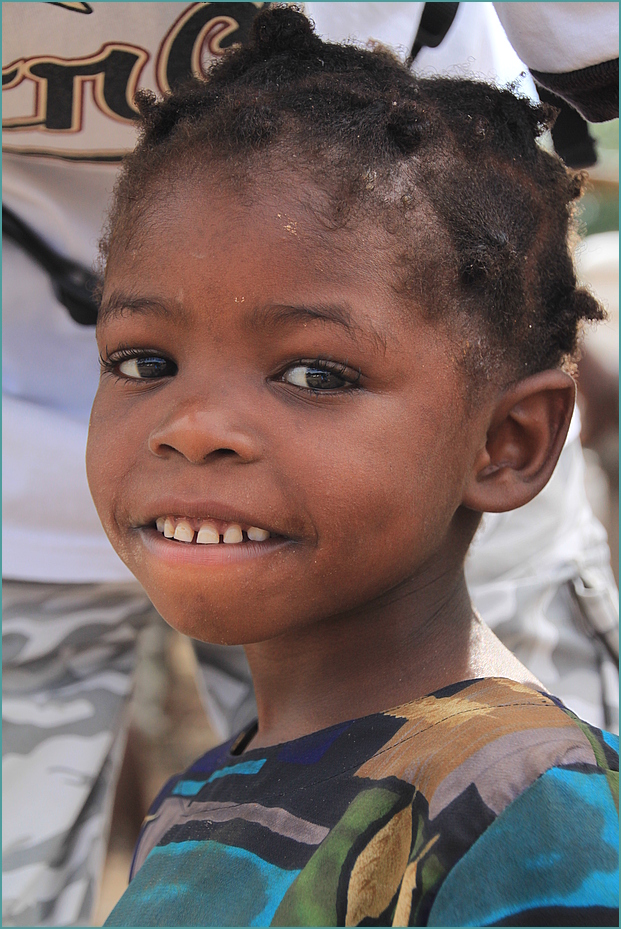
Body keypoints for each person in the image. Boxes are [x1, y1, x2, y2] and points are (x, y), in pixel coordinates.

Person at [2, 4, 618, 926]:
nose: (193, 425)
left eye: (314, 373)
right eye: (143, 362)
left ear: (509, 442)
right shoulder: (200, 798)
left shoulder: (526, 807)